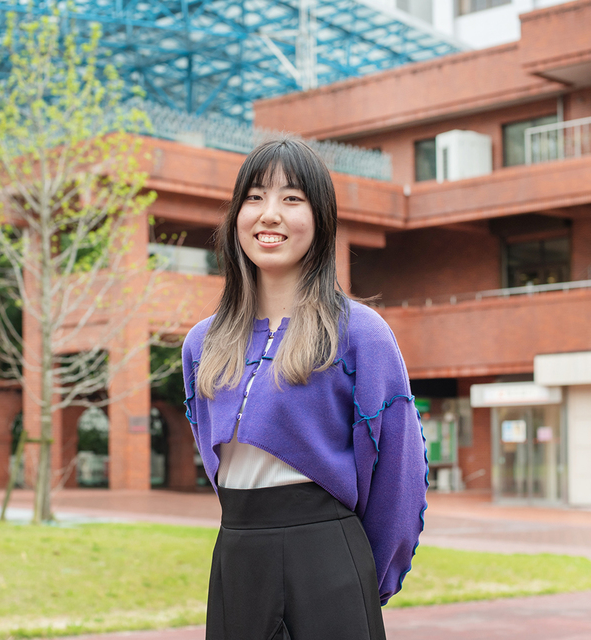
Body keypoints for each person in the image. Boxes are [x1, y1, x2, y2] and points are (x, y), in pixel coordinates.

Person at [181, 138, 428, 640]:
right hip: (237, 554)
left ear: (321, 220)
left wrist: (364, 578)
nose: (269, 214)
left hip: (329, 557)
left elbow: (399, 474)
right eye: (254, 197)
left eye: (291, 198)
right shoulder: (202, 344)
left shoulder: (360, 333)